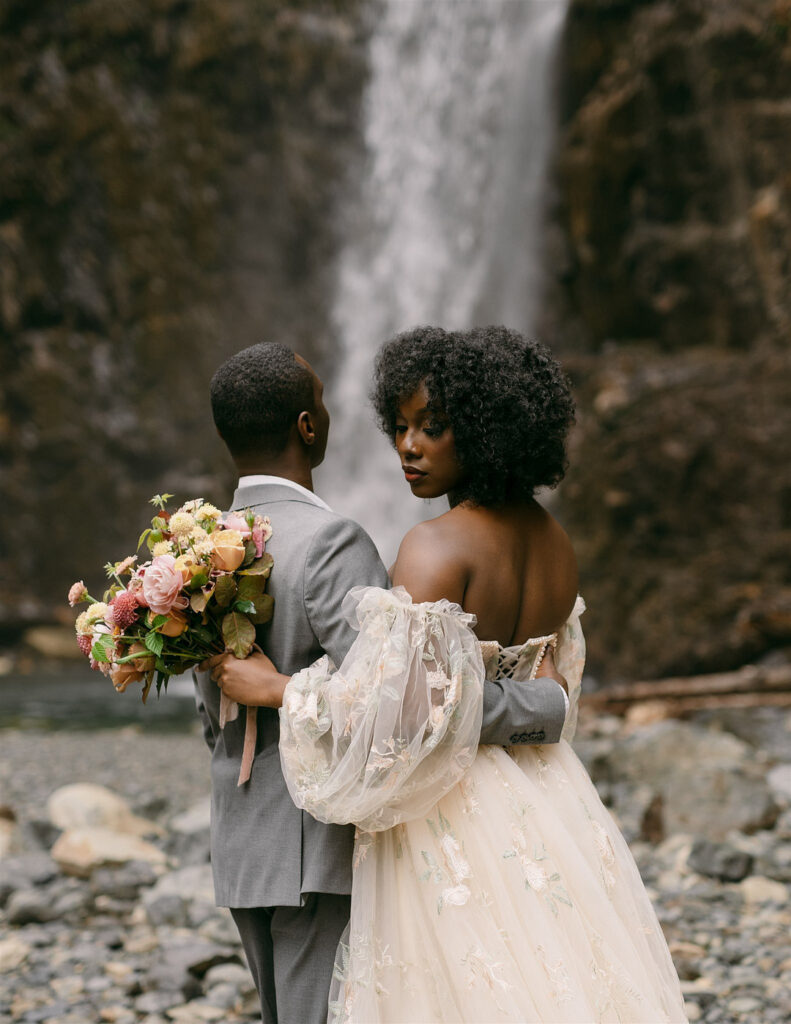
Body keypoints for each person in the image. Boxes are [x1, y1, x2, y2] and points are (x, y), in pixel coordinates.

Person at [214, 326, 688, 1023]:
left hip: (445, 803)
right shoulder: (556, 543)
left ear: (485, 430)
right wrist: (548, 703)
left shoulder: (432, 548)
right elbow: (555, 688)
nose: (408, 446)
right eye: (400, 426)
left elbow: (403, 716)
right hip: (545, 797)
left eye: (432, 428)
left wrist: (282, 688)